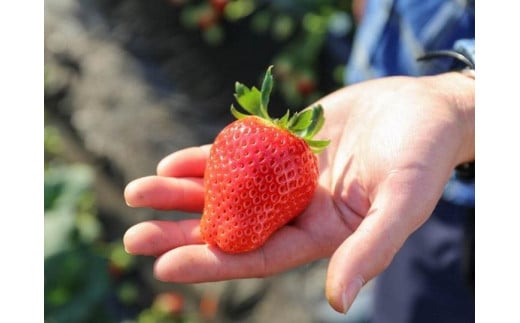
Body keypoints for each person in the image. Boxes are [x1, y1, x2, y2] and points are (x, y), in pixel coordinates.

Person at [123, 0, 475, 321]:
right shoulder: (291, 162)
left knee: (417, 299)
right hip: (386, 97)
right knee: (388, 260)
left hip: (466, 205)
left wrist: (465, 105)